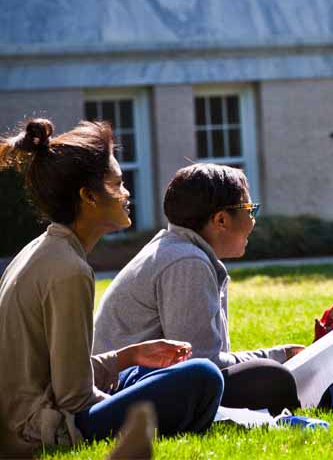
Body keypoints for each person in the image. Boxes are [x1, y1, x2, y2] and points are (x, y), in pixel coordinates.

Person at [0, 119, 223, 456]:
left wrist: (128, 356)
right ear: (88, 196)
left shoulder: (42, 250)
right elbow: (74, 398)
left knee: (147, 372)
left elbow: (60, 374)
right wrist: (124, 400)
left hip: (34, 414)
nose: (126, 193)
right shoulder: (69, 270)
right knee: (202, 376)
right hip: (43, 430)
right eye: (117, 183)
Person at [94, 164, 302, 415]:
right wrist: (277, 358)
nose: (253, 220)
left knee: (272, 372)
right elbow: (204, 364)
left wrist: (282, 354)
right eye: (250, 210)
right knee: (272, 378)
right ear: (221, 220)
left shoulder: (179, 250)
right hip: (129, 394)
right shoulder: (187, 261)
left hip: (140, 386)